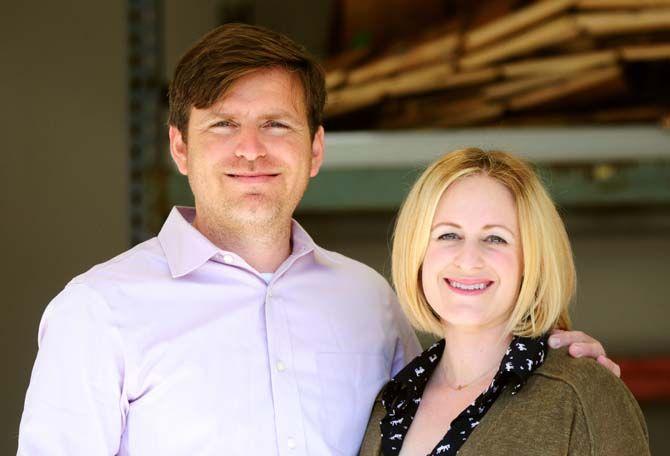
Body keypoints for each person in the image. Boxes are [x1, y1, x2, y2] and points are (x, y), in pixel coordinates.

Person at [18, 24, 619, 455]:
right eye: (223, 124)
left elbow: (450, 408)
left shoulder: (368, 301)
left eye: (276, 124)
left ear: (314, 149)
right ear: (180, 146)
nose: (250, 149)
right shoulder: (98, 312)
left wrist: (547, 355)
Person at [359, 148, 649, 456]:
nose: (468, 260)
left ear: (531, 260)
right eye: (448, 235)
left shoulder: (581, 394)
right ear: (416, 253)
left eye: (496, 238)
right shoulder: (391, 401)